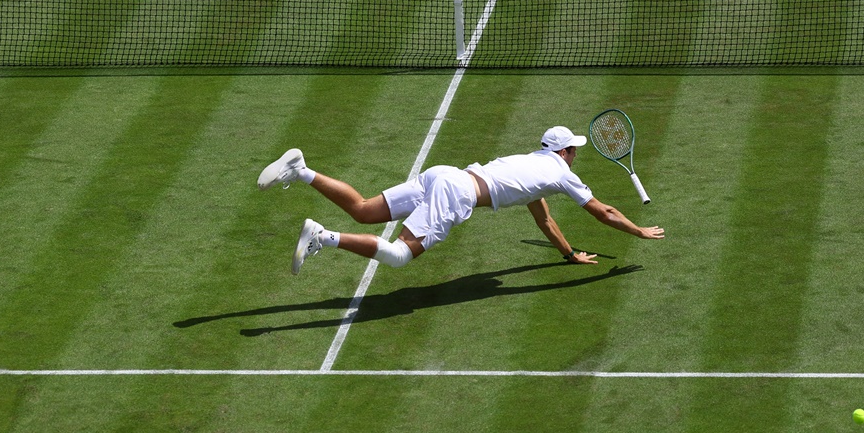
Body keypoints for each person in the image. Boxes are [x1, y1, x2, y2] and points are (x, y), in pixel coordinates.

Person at [257, 125, 665, 274]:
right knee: (399, 256)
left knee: (364, 210)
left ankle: (302, 170)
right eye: (574, 149)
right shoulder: (562, 173)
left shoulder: (530, 164)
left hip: (446, 174)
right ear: (565, 153)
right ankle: (322, 237)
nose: (576, 154)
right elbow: (603, 211)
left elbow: (543, 219)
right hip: (457, 192)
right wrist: (637, 230)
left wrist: (567, 253)